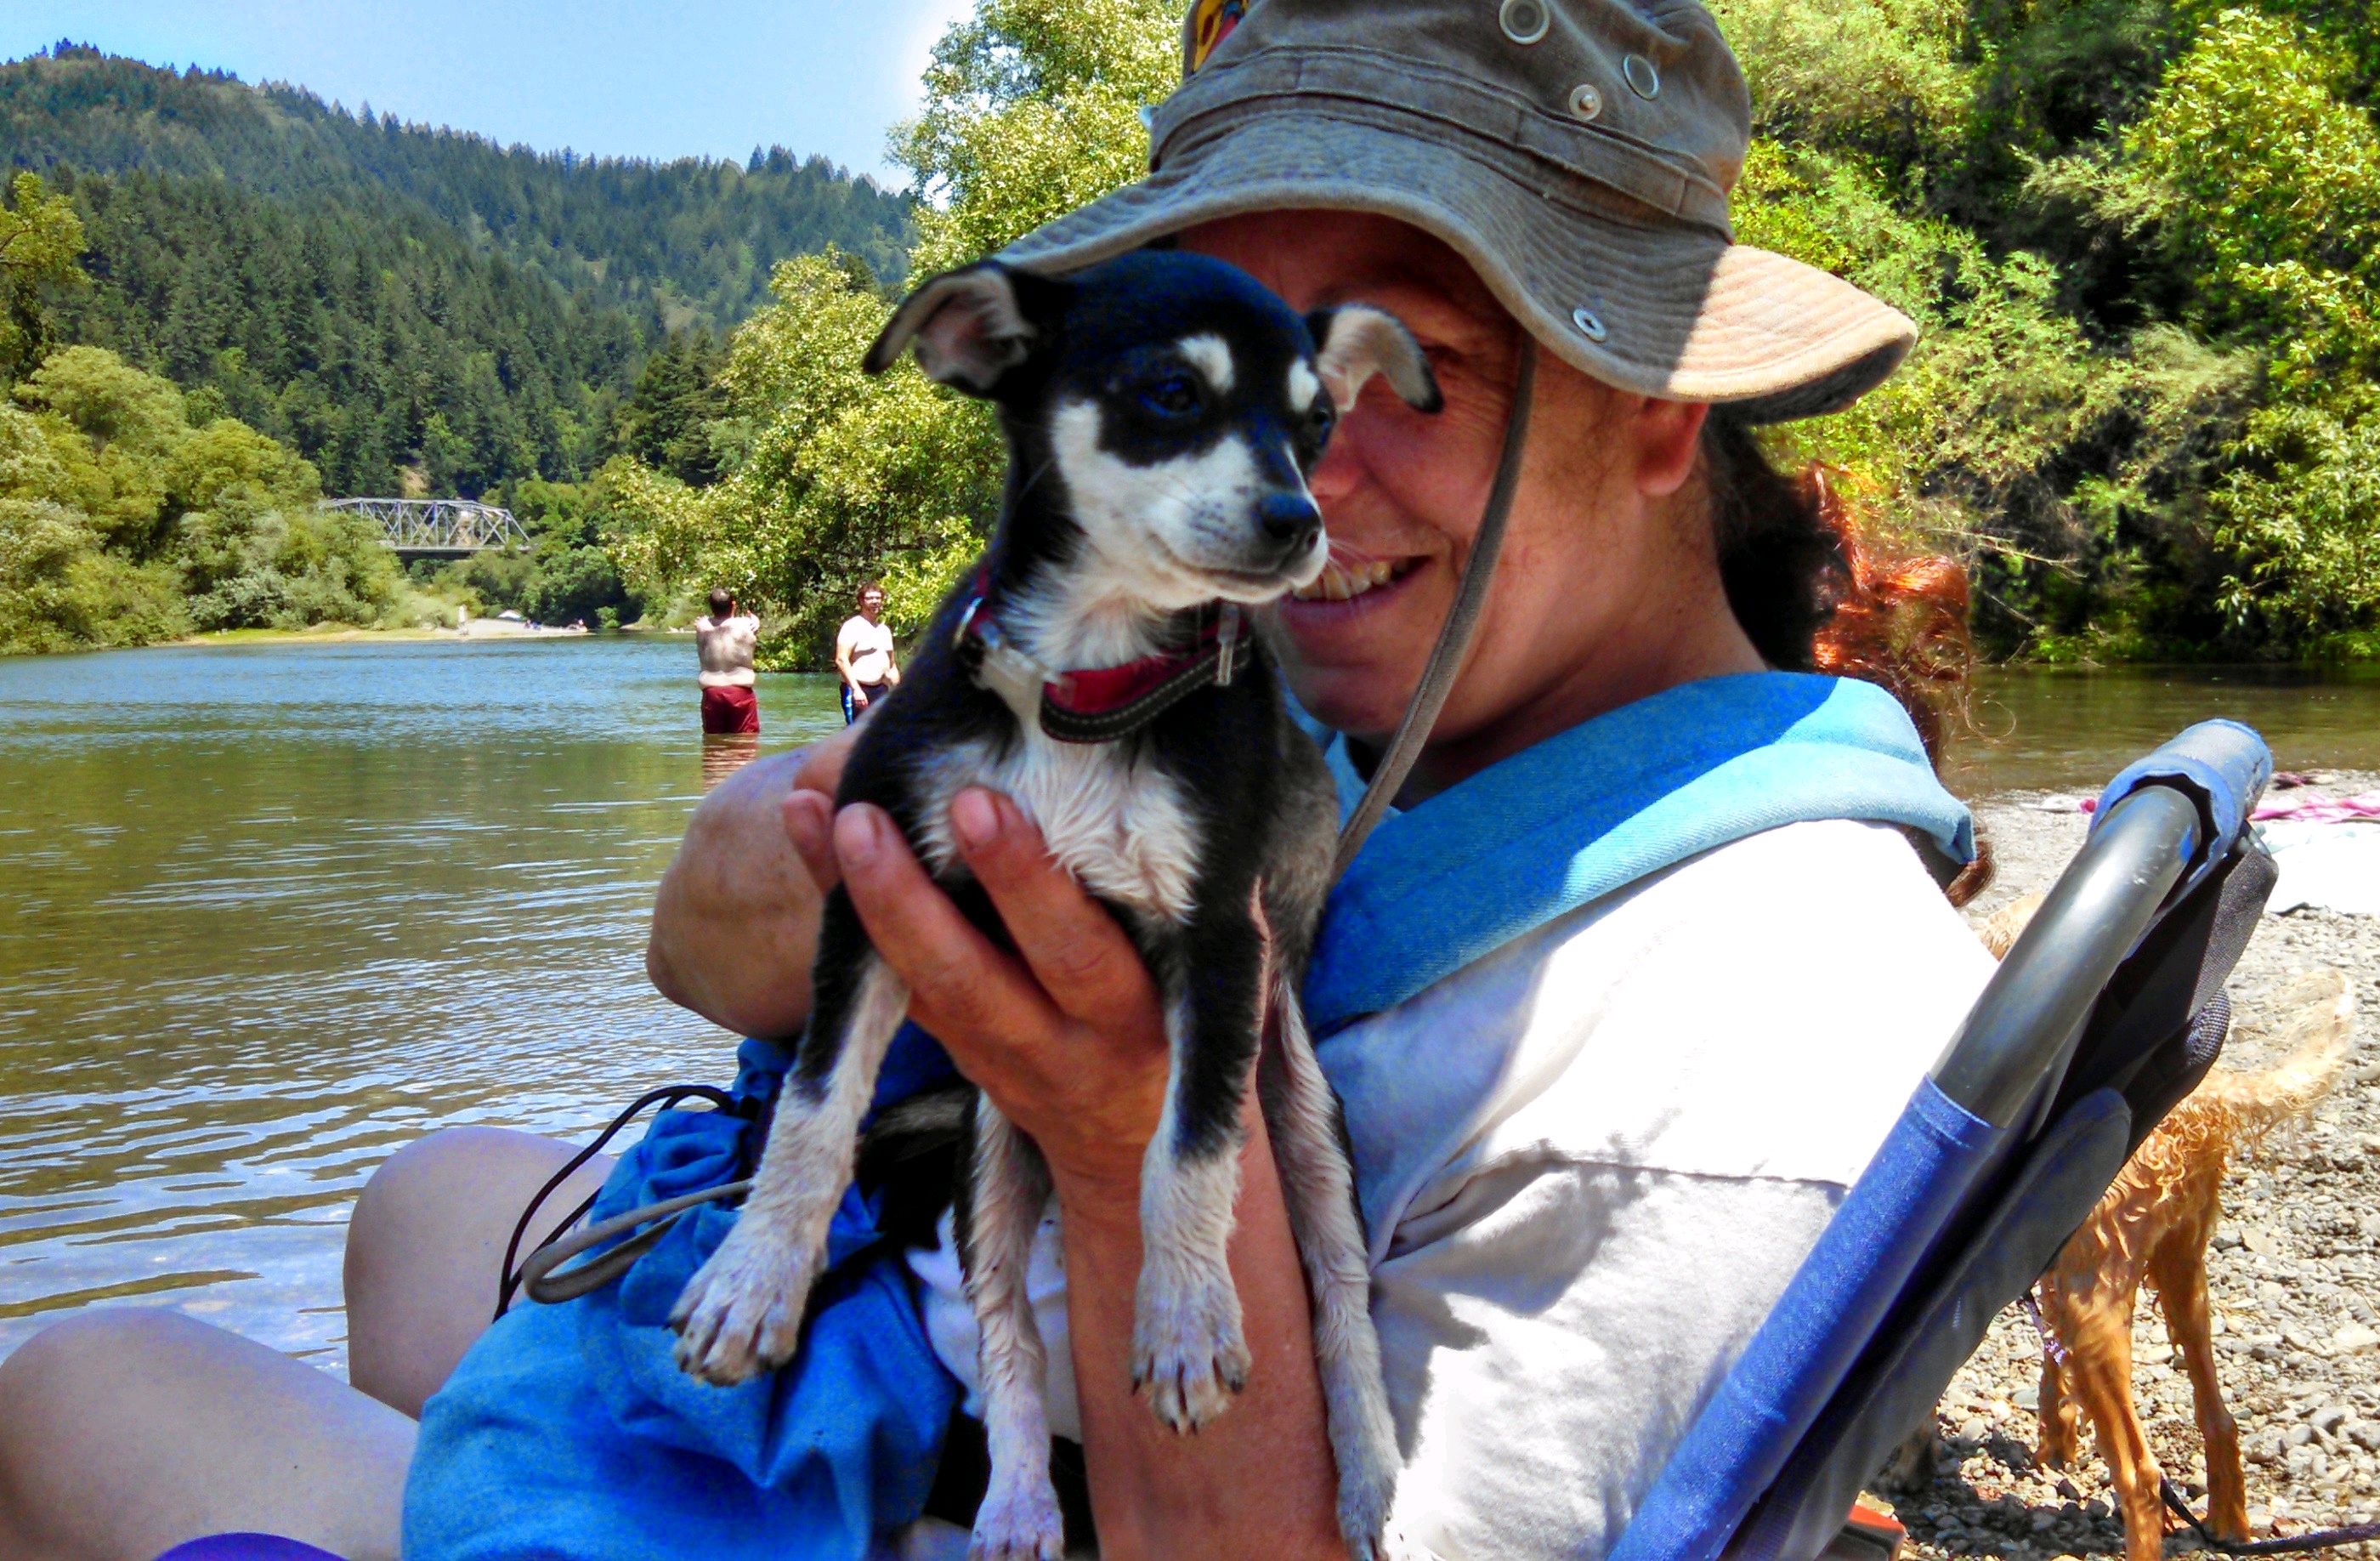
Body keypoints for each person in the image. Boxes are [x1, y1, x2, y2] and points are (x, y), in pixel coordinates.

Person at [0, 3, 1998, 1558]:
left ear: (1652, 409)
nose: (1288, 482)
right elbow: (705, 934)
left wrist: (1116, 1129)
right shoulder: (1346, 682)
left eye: (1405, 377)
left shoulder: (1745, 1052)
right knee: (415, 1208)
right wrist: (841, 869)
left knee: (79, 1394)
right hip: (944, 1342)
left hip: (1061, 1470)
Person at [694, 588, 762, 737]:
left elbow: (702, 621)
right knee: (746, 741)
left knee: (713, 743)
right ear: (733, 605)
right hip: (740, 691)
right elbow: (754, 622)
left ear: (711, 607)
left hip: (712, 692)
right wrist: (756, 620)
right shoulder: (747, 625)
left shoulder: (702, 627)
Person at [836, 582, 898, 724]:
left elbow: (891, 663)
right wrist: (856, 690)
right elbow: (841, 659)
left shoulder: (884, 630)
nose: (875, 602)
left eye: (878, 598)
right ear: (861, 601)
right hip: (858, 690)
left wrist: (898, 688)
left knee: (881, 732)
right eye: (870, 598)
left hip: (881, 690)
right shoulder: (852, 627)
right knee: (857, 732)